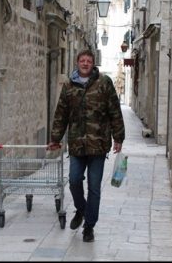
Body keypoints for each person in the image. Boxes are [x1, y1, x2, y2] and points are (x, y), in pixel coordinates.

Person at [48, 49, 125, 243]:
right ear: (77, 63)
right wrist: (55, 138)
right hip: (76, 143)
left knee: (94, 187)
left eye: (88, 61)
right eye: (82, 60)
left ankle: (89, 226)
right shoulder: (68, 86)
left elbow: (114, 110)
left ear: (93, 64)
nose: (85, 63)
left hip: (98, 144)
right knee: (74, 180)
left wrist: (119, 137)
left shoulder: (104, 83)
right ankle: (81, 209)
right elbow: (61, 114)